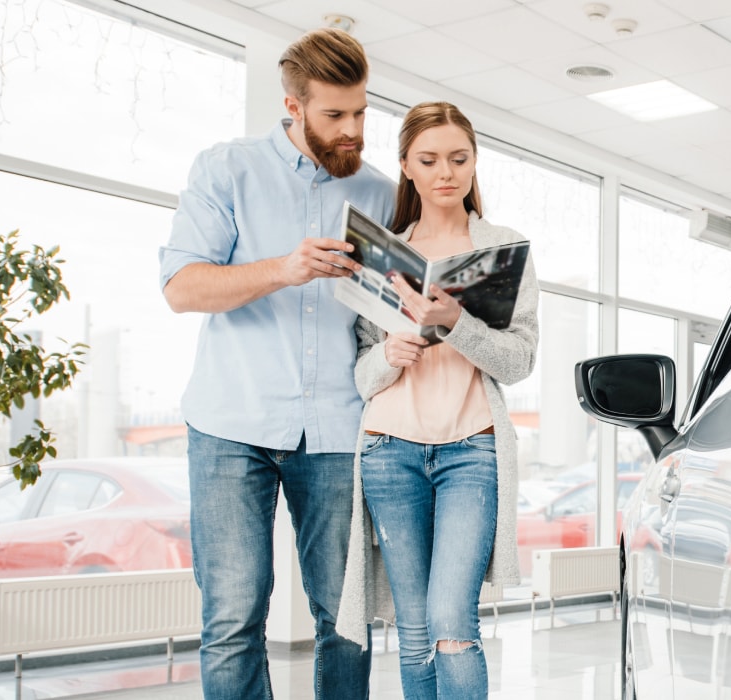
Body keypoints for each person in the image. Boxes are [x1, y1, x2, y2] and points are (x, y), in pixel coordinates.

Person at [158, 27, 392, 700]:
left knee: (344, 620)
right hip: (232, 424)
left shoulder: (376, 194)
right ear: (293, 106)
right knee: (233, 618)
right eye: (335, 115)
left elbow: (383, 319)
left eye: (361, 112)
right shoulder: (226, 169)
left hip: (337, 429)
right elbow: (182, 288)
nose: (353, 130)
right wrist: (285, 269)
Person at [337, 101, 536, 700]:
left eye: (459, 158)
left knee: (453, 621)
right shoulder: (383, 251)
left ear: (475, 164)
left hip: (471, 450)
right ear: (407, 168)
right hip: (388, 450)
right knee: (417, 630)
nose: (446, 172)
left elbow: (520, 359)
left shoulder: (503, 247)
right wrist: (388, 354)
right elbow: (361, 376)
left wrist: (455, 324)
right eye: (429, 160)